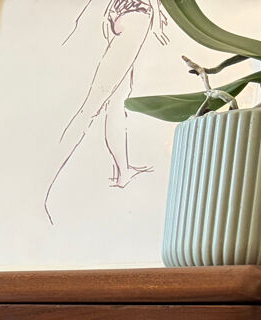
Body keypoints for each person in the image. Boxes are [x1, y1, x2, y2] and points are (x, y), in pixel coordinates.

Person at [45, 0, 170, 222]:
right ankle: (44, 183)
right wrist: (157, 18)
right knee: (92, 107)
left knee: (116, 100)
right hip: (136, 14)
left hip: (119, 14)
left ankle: (123, 170)